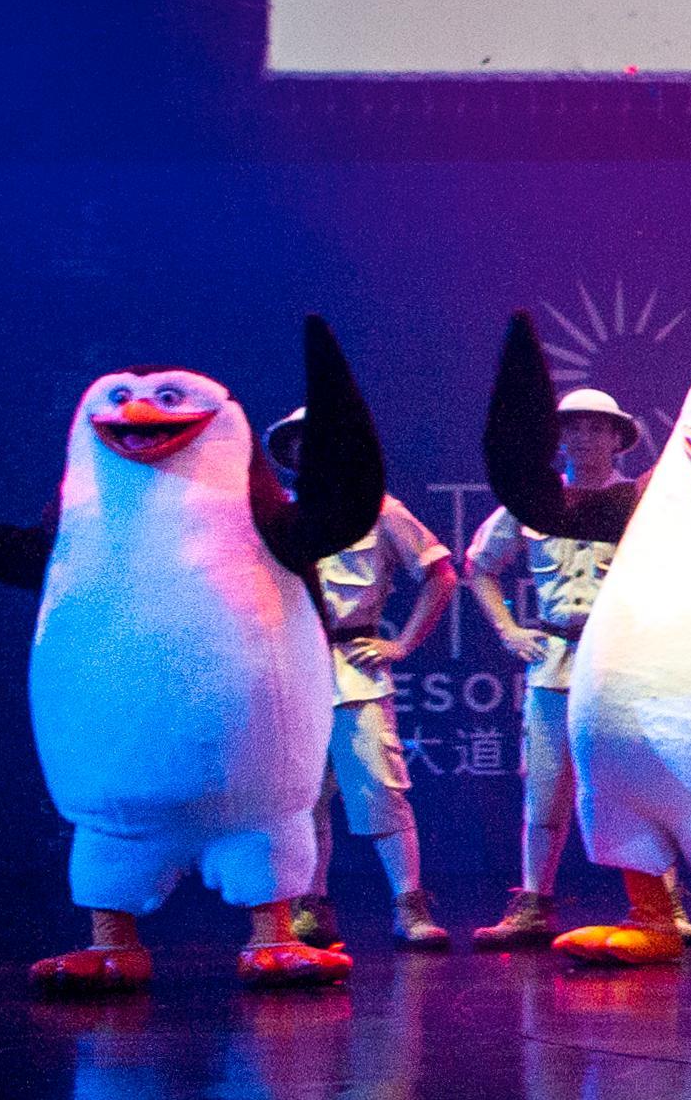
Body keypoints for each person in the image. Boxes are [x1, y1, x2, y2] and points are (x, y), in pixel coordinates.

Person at [268, 406, 454, 951]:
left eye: (321, 439)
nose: (311, 451)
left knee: (379, 785)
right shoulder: (275, 514)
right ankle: (309, 907)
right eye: (300, 443)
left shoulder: (378, 509)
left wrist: (402, 642)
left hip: (354, 668)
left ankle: (409, 904)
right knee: (301, 797)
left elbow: (441, 573)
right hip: (289, 668)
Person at [458, 389, 637, 949]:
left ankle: (661, 905)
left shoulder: (641, 503)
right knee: (545, 782)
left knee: (634, 781)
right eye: (573, 427)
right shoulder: (535, 502)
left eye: (596, 427)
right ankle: (535, 901)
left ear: (617, 438)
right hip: (555, 659)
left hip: (622, 661)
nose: (583, 437)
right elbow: (478, 566)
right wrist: (509, 629)